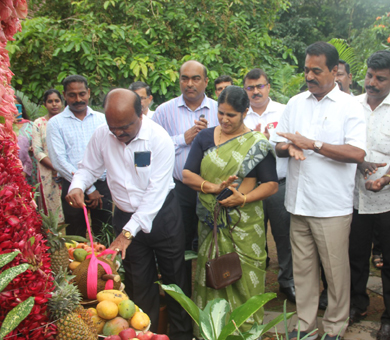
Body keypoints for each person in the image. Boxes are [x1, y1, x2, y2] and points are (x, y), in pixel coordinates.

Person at [66, 88, 192, 340]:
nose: (119, 133)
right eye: (113, 127)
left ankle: (182, 335)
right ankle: (147, 335)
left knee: (175, 281)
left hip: (162, 216)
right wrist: (77, 185)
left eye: (125, 127)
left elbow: (155, 193)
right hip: (124, 215)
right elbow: (88, 167)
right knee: (138, 283)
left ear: (141, 114)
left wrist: (127, 234)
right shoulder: (103, 134)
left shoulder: (159, 138)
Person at [272, 41, 366, 340]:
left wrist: (311, 144)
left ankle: (336, 327)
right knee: (303, 271)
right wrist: (289, 148)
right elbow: (279, 145)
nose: (309, 76)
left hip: (331, 207)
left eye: (316, 70)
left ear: (334, 71)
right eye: (306, 70)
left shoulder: (350, 106)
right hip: (298, 203)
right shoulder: (296, 102)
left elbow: (356, 152)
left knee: (336, 272)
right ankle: (305, 326)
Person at [182, 85, 278, 333]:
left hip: (243, 224)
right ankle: (212, 332)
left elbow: (271, 185)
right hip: (210, 222)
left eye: (231, 115)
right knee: (212, 273)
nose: (224, 119)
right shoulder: (204, 138)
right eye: (220, 113)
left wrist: (242, 200)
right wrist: (214, 187)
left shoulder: (257, 144)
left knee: (245, 276)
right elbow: (187, 174)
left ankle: (244, 332)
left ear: (245, 112)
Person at [349, 50, 390, 340]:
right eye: (369, 76)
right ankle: (358, 304)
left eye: (380, 78)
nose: (372, 83)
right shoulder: (350, 105)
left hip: (389, 201)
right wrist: (358, 161)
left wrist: (386, 179)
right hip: (354, 199)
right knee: (356, 257)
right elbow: (344, 145)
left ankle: (389, 315)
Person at [152, 60, 219, 295]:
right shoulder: (164, 111)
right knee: (178, 245)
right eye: (185, 78)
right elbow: (151, 148)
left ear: (206, 81)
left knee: (211, 243)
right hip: (178, 189)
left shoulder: (219, 110)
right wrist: (184, 138)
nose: (189, 84)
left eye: (196, 78)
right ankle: (181, 299)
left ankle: (211, 295)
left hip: (212, 189)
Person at [242, 68, 295, 303]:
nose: (255, 91)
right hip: (249, 187)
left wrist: (266, 143)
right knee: (252, 237)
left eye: (260, 86)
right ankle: (254, 284)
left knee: (285, 237)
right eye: (250, 88)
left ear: (268, 87)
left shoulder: (284, 112)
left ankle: (287, 282)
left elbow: (292, 148)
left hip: (279, 184)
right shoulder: (239, 114)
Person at [46, 75, 112, 236]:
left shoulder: (102, 120)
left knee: (105, 234)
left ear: (88, 92)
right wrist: (88, 187)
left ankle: (108, 262)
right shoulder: (55, 124)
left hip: (102, 185)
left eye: (82, 94)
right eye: (72, 95)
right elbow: (59, 161)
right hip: (72, 186)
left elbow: (109, 153)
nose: (78, 99)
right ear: (64, 95)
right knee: (76, 237)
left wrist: (95, 187)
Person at [32, 89, 65, 222]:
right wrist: (55, 168)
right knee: (52, 213)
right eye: (50, 101)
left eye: (57, 101)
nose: (54, 104)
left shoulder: (66, 121)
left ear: (62, 103)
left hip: (68, 172)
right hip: (48, 172)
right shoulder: (38, 123)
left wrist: (63, 169)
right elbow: (37, 151)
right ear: (45, 104)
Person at [13, 95, 37, 187]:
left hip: (31, 169)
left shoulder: (31, 125)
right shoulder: (3, 127)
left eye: (17, 107)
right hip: (10, 169)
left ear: (21, 108)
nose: (14, 110)